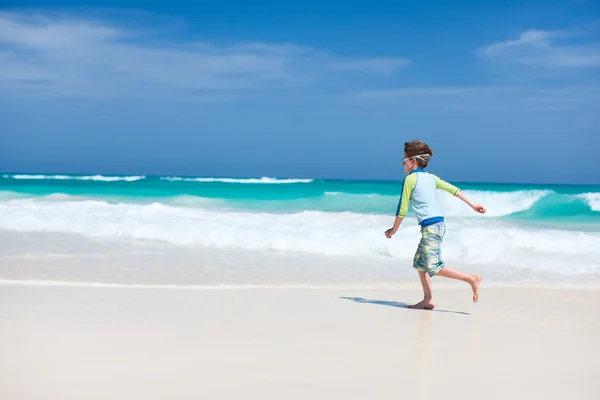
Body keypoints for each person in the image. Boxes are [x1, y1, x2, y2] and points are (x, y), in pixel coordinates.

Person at [384, 140, 486, 309]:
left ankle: (471, 279)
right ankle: (428, 299)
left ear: (413, 161)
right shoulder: (432, 178)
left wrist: (393, 230)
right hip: (437, 225)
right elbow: (454, 190)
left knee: (433, 266)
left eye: (404, 160)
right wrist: (472, 205)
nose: (402, 164)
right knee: (420, 263)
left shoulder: (410, 179)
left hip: (431, 227)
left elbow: (402, 209)